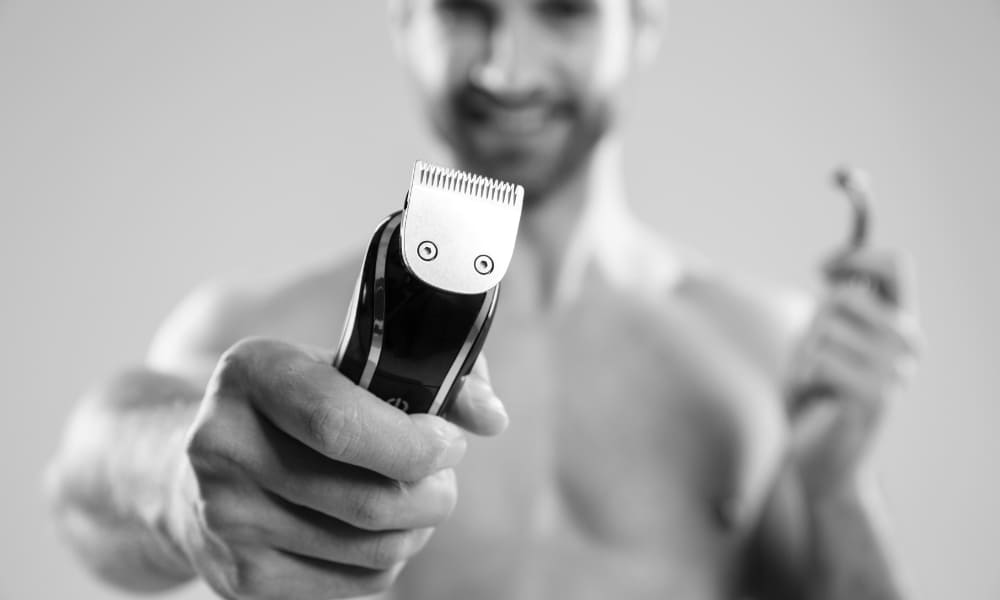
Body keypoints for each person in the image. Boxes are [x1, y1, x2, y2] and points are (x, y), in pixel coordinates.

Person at [46, 1, 924, 598]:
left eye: (563, 10)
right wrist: (177, 484)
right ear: (403, 21)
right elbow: (85, 484)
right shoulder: (269, 332)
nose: (507, 66)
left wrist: (835, 489)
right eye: (464, 8)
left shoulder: (769, 347)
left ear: (643, 23)